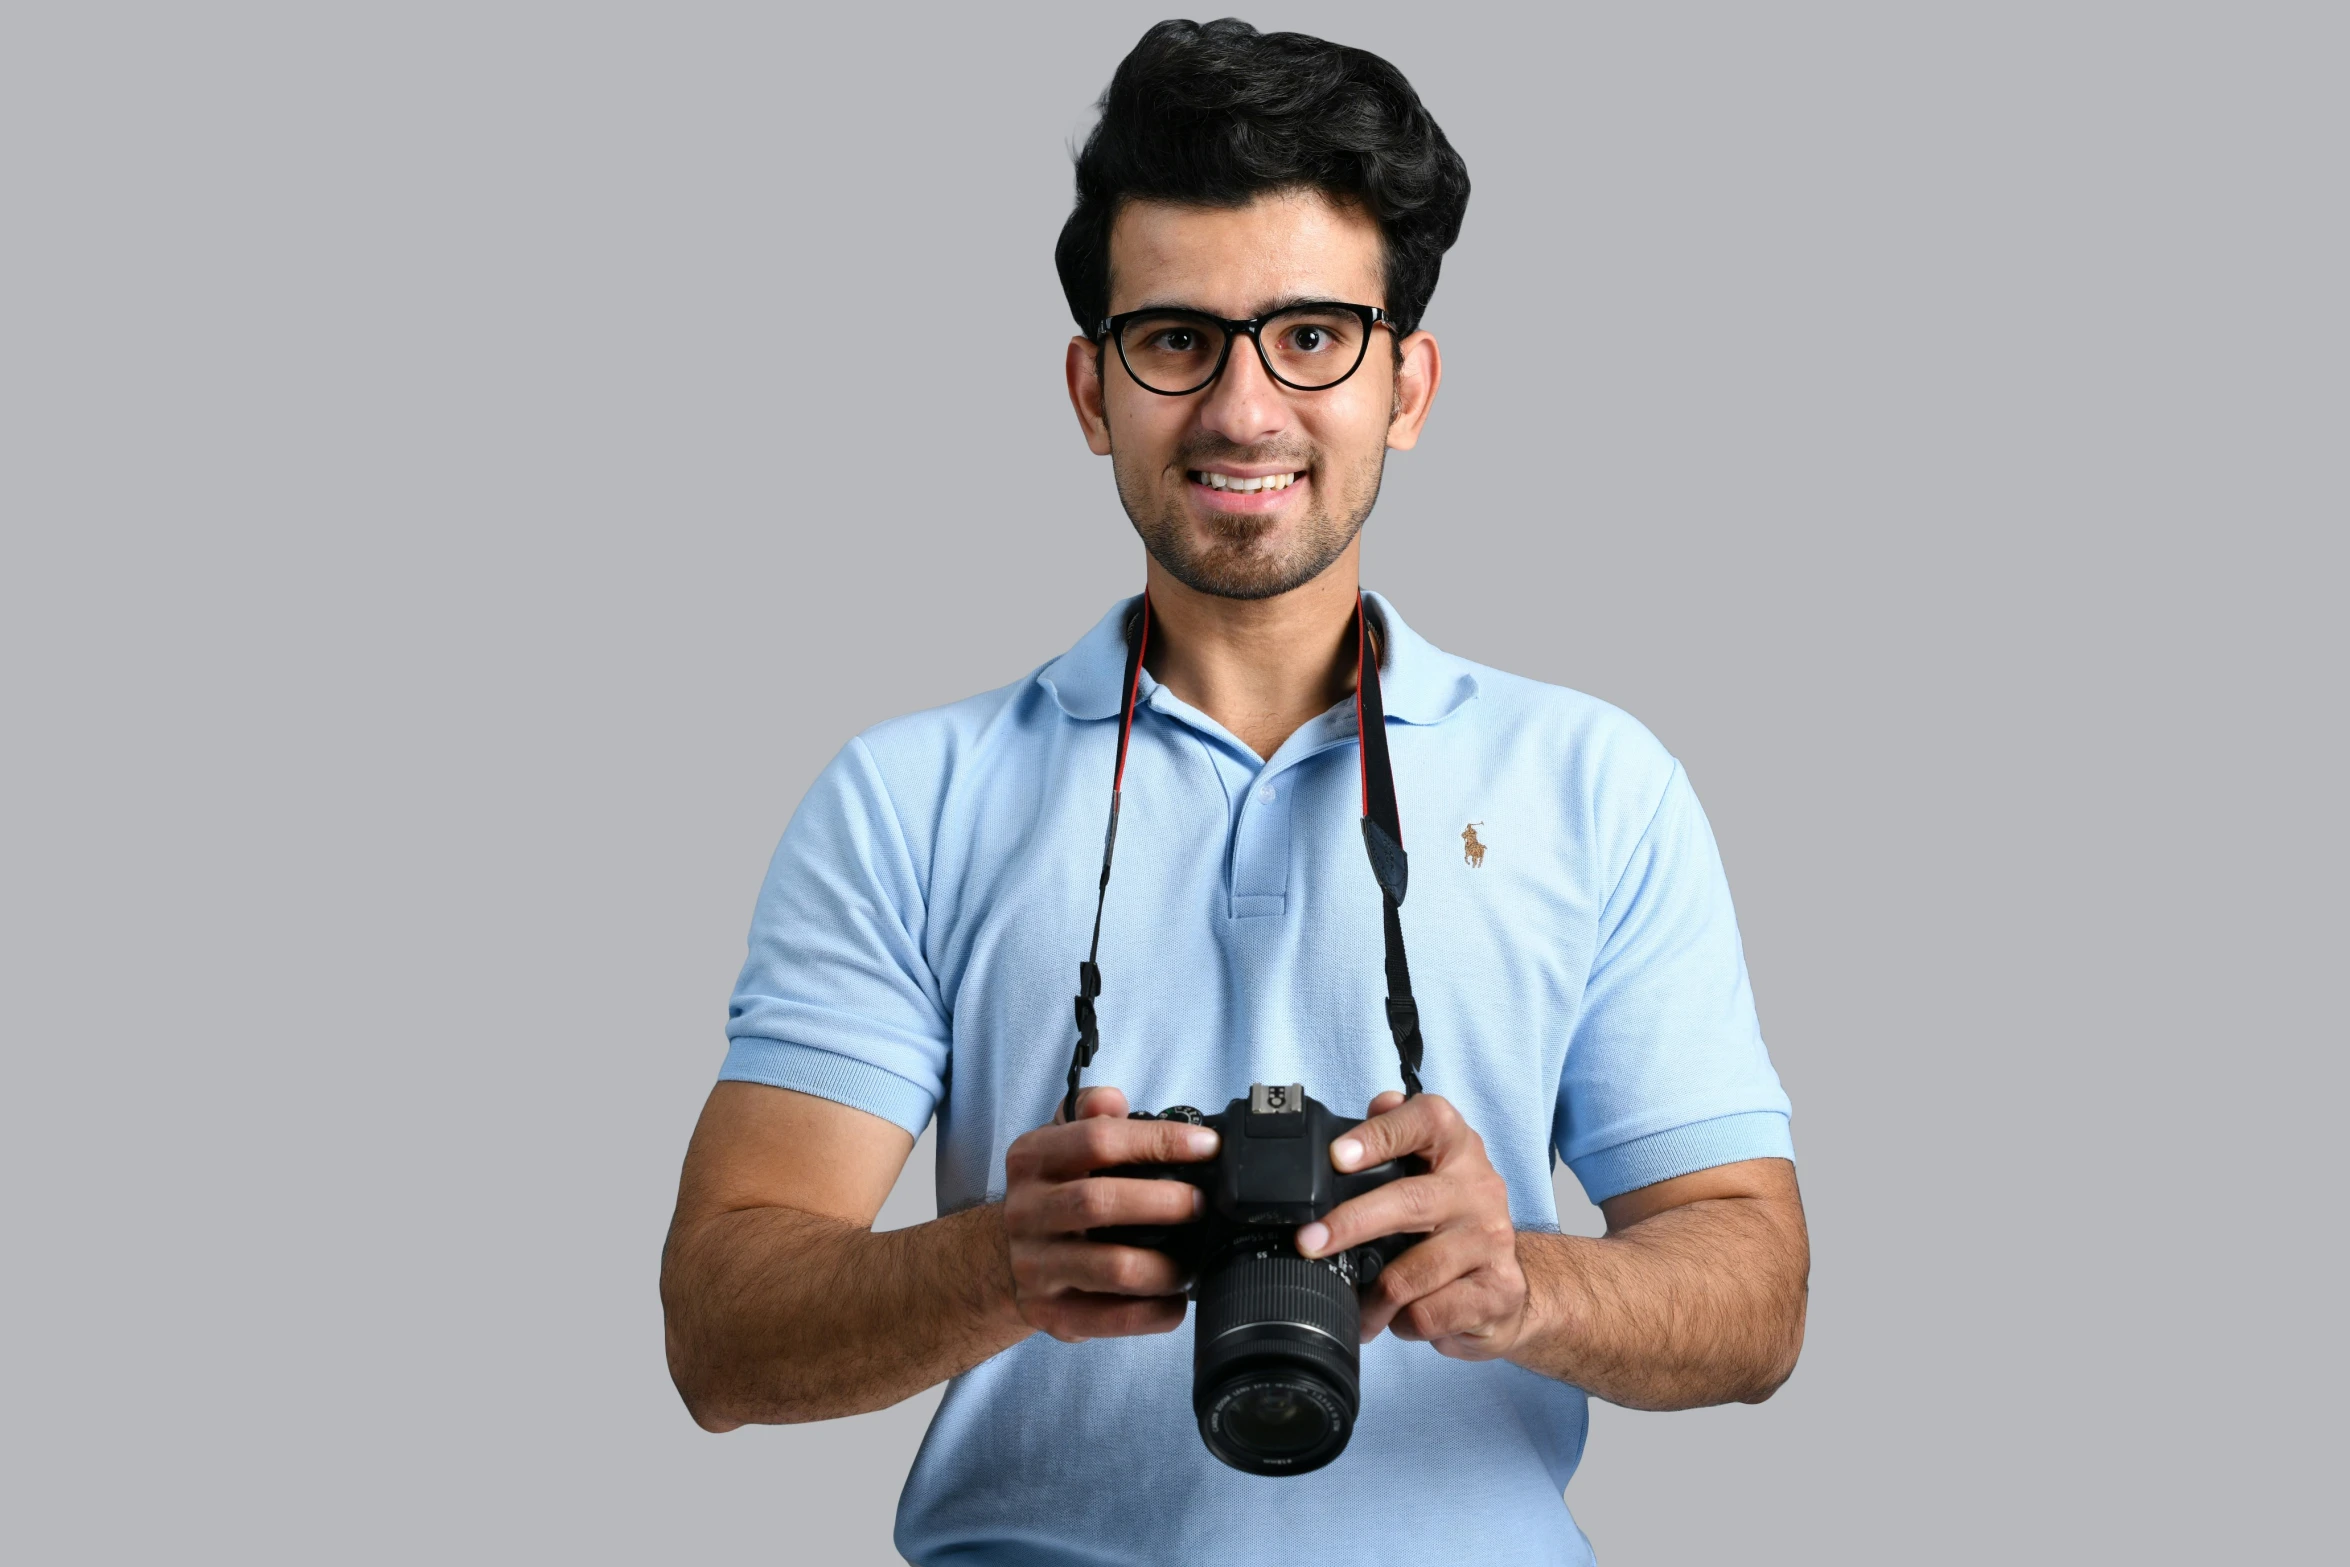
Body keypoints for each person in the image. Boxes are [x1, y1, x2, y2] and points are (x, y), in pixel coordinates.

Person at [661, 19, 1806, 1565]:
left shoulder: (1593, 780)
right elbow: (722, 1328)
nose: (1245, 409)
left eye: (1315, 336)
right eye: (1177, 339)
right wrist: (1001, 1261)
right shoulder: (908, 796)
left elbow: (1755, 1289)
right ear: (1091, 388)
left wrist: (1520, 1277)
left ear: (1406, 382)